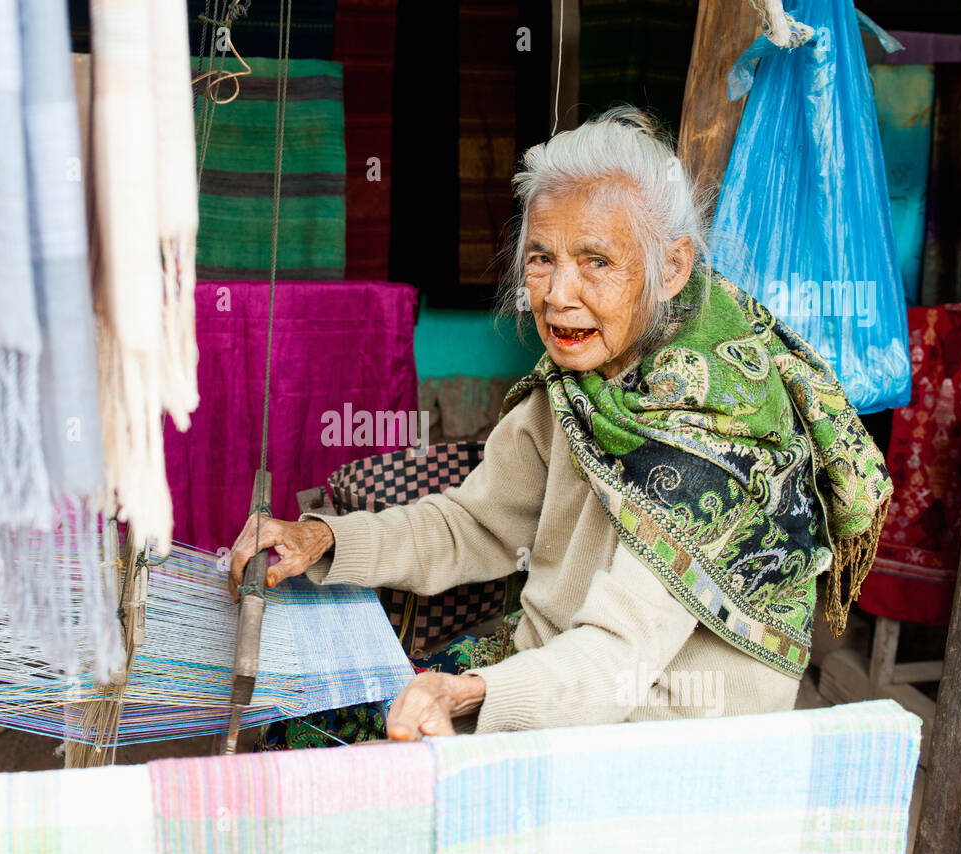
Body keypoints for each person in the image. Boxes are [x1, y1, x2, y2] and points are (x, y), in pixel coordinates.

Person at [228, 107, 891, 745]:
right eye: (542, 258)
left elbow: (614, 660)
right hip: (559, 665)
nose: (556, 294)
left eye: (596, 261)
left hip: (655, 734)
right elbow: (476, 524)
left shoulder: (717, 436)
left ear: (672, 267)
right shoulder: (581, 379)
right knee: (306, 730)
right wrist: (322, 539)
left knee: (363, 772)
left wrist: (473, 694)